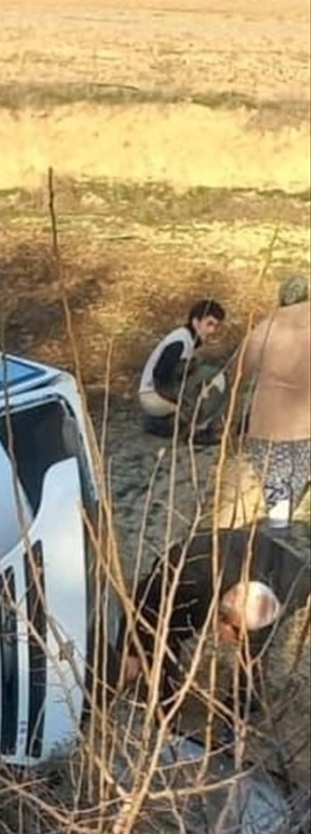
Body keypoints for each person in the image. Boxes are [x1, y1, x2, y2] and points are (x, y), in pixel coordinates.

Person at [117, 527, 310, 737]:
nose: (237, 640)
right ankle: (164, 707)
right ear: (221, 619)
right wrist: (130, 649)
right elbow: (143, 601)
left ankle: (238, 713)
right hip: (202, 571)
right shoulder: (185, 576)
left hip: (258, 574)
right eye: (236, 632)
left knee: (255, 652)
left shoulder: (295, 583)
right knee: (167, 636)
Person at [233, 275, 311, 529]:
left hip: (269, 422)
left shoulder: (265, 329)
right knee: (298, 478)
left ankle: (278, 531)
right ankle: (285, 524)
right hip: (307, 421)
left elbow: (239, 371)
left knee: (276, 483)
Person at [138, 299, 229, 446]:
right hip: (155, 393)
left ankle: (163, 425)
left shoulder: (185, 338)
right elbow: (161, 374)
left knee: (202, 376)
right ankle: (198, 430)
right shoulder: (180, 342)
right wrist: (185, 398)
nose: (212, 331)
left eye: (215, 326)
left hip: (153, 393)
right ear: (196, 321)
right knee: (215, 376)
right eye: (209, 324)